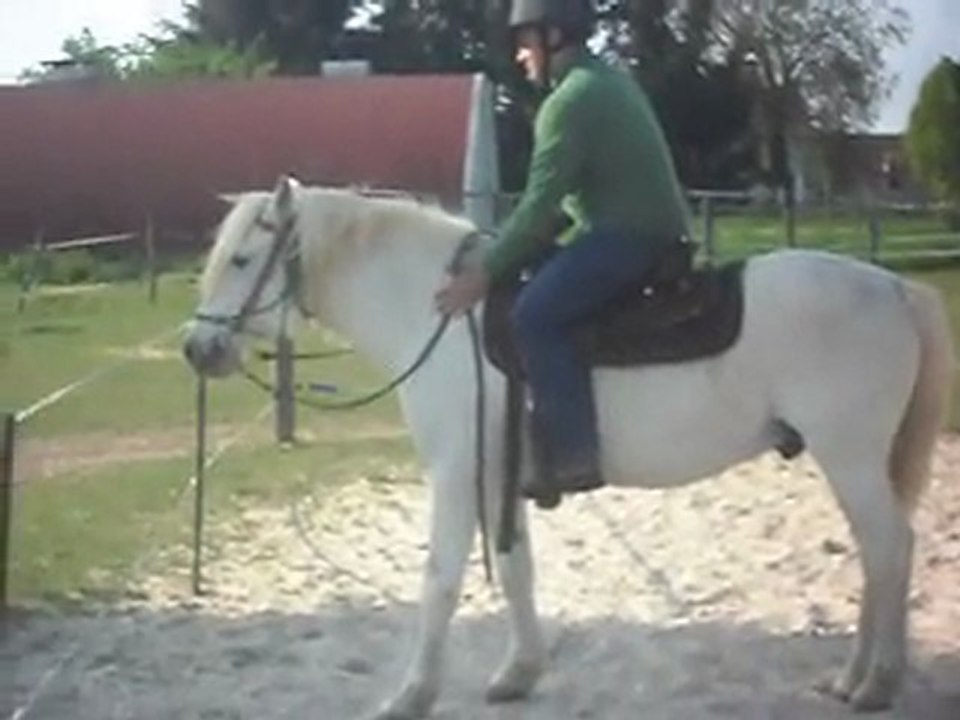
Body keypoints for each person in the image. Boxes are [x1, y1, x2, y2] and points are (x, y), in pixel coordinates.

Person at [434, 0, 690, 503]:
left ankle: (574, 452)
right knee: (536, 280)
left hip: (627, 237)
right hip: (638, 229)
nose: (521, 55)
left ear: (555, 37)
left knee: (535, 315)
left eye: (526, 41)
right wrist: (505, 252)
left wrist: (484, 271)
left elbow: (537, 208)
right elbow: (558, 211)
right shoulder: (604, 81)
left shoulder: (570, 101)